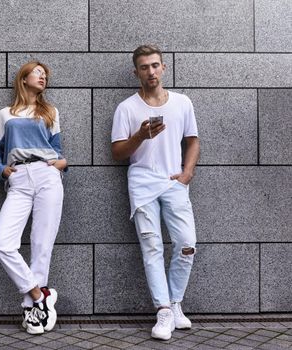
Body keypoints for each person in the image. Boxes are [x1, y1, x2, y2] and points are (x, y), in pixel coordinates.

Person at [111, 44, 200, 341]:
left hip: (174, 180)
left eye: (155, 65)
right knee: (151, 248)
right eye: (144, 67)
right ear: (136, 72)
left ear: (164, 67)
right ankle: (163, 310)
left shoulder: (182, 102)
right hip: (142, 182)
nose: (151, 71)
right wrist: (140, 135)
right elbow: (117, 152)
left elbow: (192, 140)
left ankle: (176, 303)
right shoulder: (127, 108)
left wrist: (187, 173)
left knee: (187, 243)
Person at [0, 61, 67, 335]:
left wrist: (60, 164)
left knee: (41, 244)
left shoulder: (50, 112)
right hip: (19, 178)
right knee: (1, 243)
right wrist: (3, 171)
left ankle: (34, 311)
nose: (43, 76)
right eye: (38, 72)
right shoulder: (6, 114)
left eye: (45, 74)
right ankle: (38, 294)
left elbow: (57, 150)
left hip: (47, 175)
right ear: (23, 79)